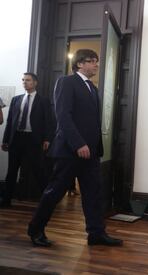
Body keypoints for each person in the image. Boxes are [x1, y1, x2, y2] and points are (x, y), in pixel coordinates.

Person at [27, 49, 123, 247]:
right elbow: (63, 116)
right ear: (79, 64)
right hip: (70, 151)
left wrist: (93, 147)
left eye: (97, 61)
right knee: (54, 192)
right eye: (92, 61)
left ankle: (96, 233)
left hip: (92, 153)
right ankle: (35, 229)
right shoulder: (66, 82)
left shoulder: (92, 88)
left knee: (93, 194)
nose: (96, 64)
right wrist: (78, 143)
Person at [0, 73, 52, 208]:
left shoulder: (43, 101)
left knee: (38, 170)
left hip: (33, 139)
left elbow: (48, 121)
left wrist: (47, 138)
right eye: (23, 80)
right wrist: (6, 140)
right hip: (16, 138)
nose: (24, 82)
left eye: (28, 80)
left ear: (35, 83)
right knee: (11, 171)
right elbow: (10, 121)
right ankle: (6, 200)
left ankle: (47, 202)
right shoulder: (16, 99)